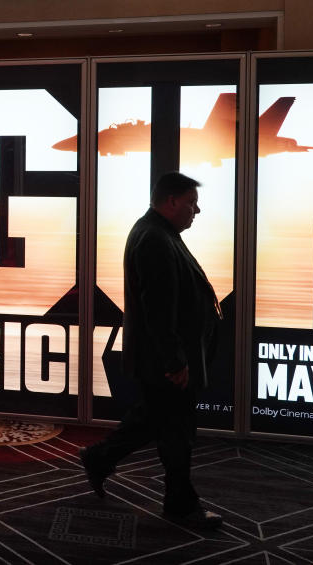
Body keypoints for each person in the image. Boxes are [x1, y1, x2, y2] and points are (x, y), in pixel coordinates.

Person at [80, 172, 223, 529]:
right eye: (191, 202)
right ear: (171, 202)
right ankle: (180, 506)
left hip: (164, 358)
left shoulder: (160, 233)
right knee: (175, 434)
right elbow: (159, 310)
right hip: (166, 362)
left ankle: (99, 458)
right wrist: (175, 361)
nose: (197, 210)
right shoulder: (155, 239)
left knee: (153, 421)